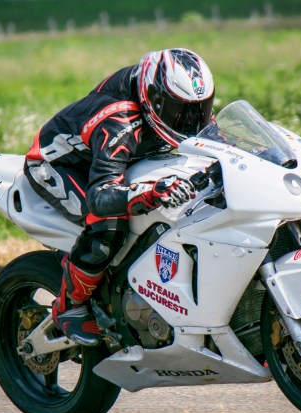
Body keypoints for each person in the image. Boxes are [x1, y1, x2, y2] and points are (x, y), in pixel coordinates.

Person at [24, 48, 215, 345]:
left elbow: (219, 142)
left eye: (197, 111)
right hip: (62, 164)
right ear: (154, 99)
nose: (189, 122)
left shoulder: (171, 104)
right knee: (108, 226)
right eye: (180, 112)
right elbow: (101, 195)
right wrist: (150, 193)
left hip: (111, 158)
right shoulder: (120, 120)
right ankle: (69, 307)